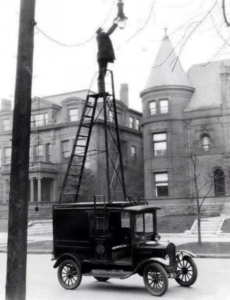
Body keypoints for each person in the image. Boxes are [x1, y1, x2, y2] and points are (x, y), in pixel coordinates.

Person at [96, 18, 120, 94]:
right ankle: (101, 89)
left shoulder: (100, 36)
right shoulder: (101, 35)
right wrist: (115, 24)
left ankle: (101, 89)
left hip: (102, 56)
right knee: (102, 72)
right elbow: (109, 32)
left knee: (103, 72)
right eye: (102, 30)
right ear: (100, 31)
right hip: (103, 56)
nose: (103, 31)